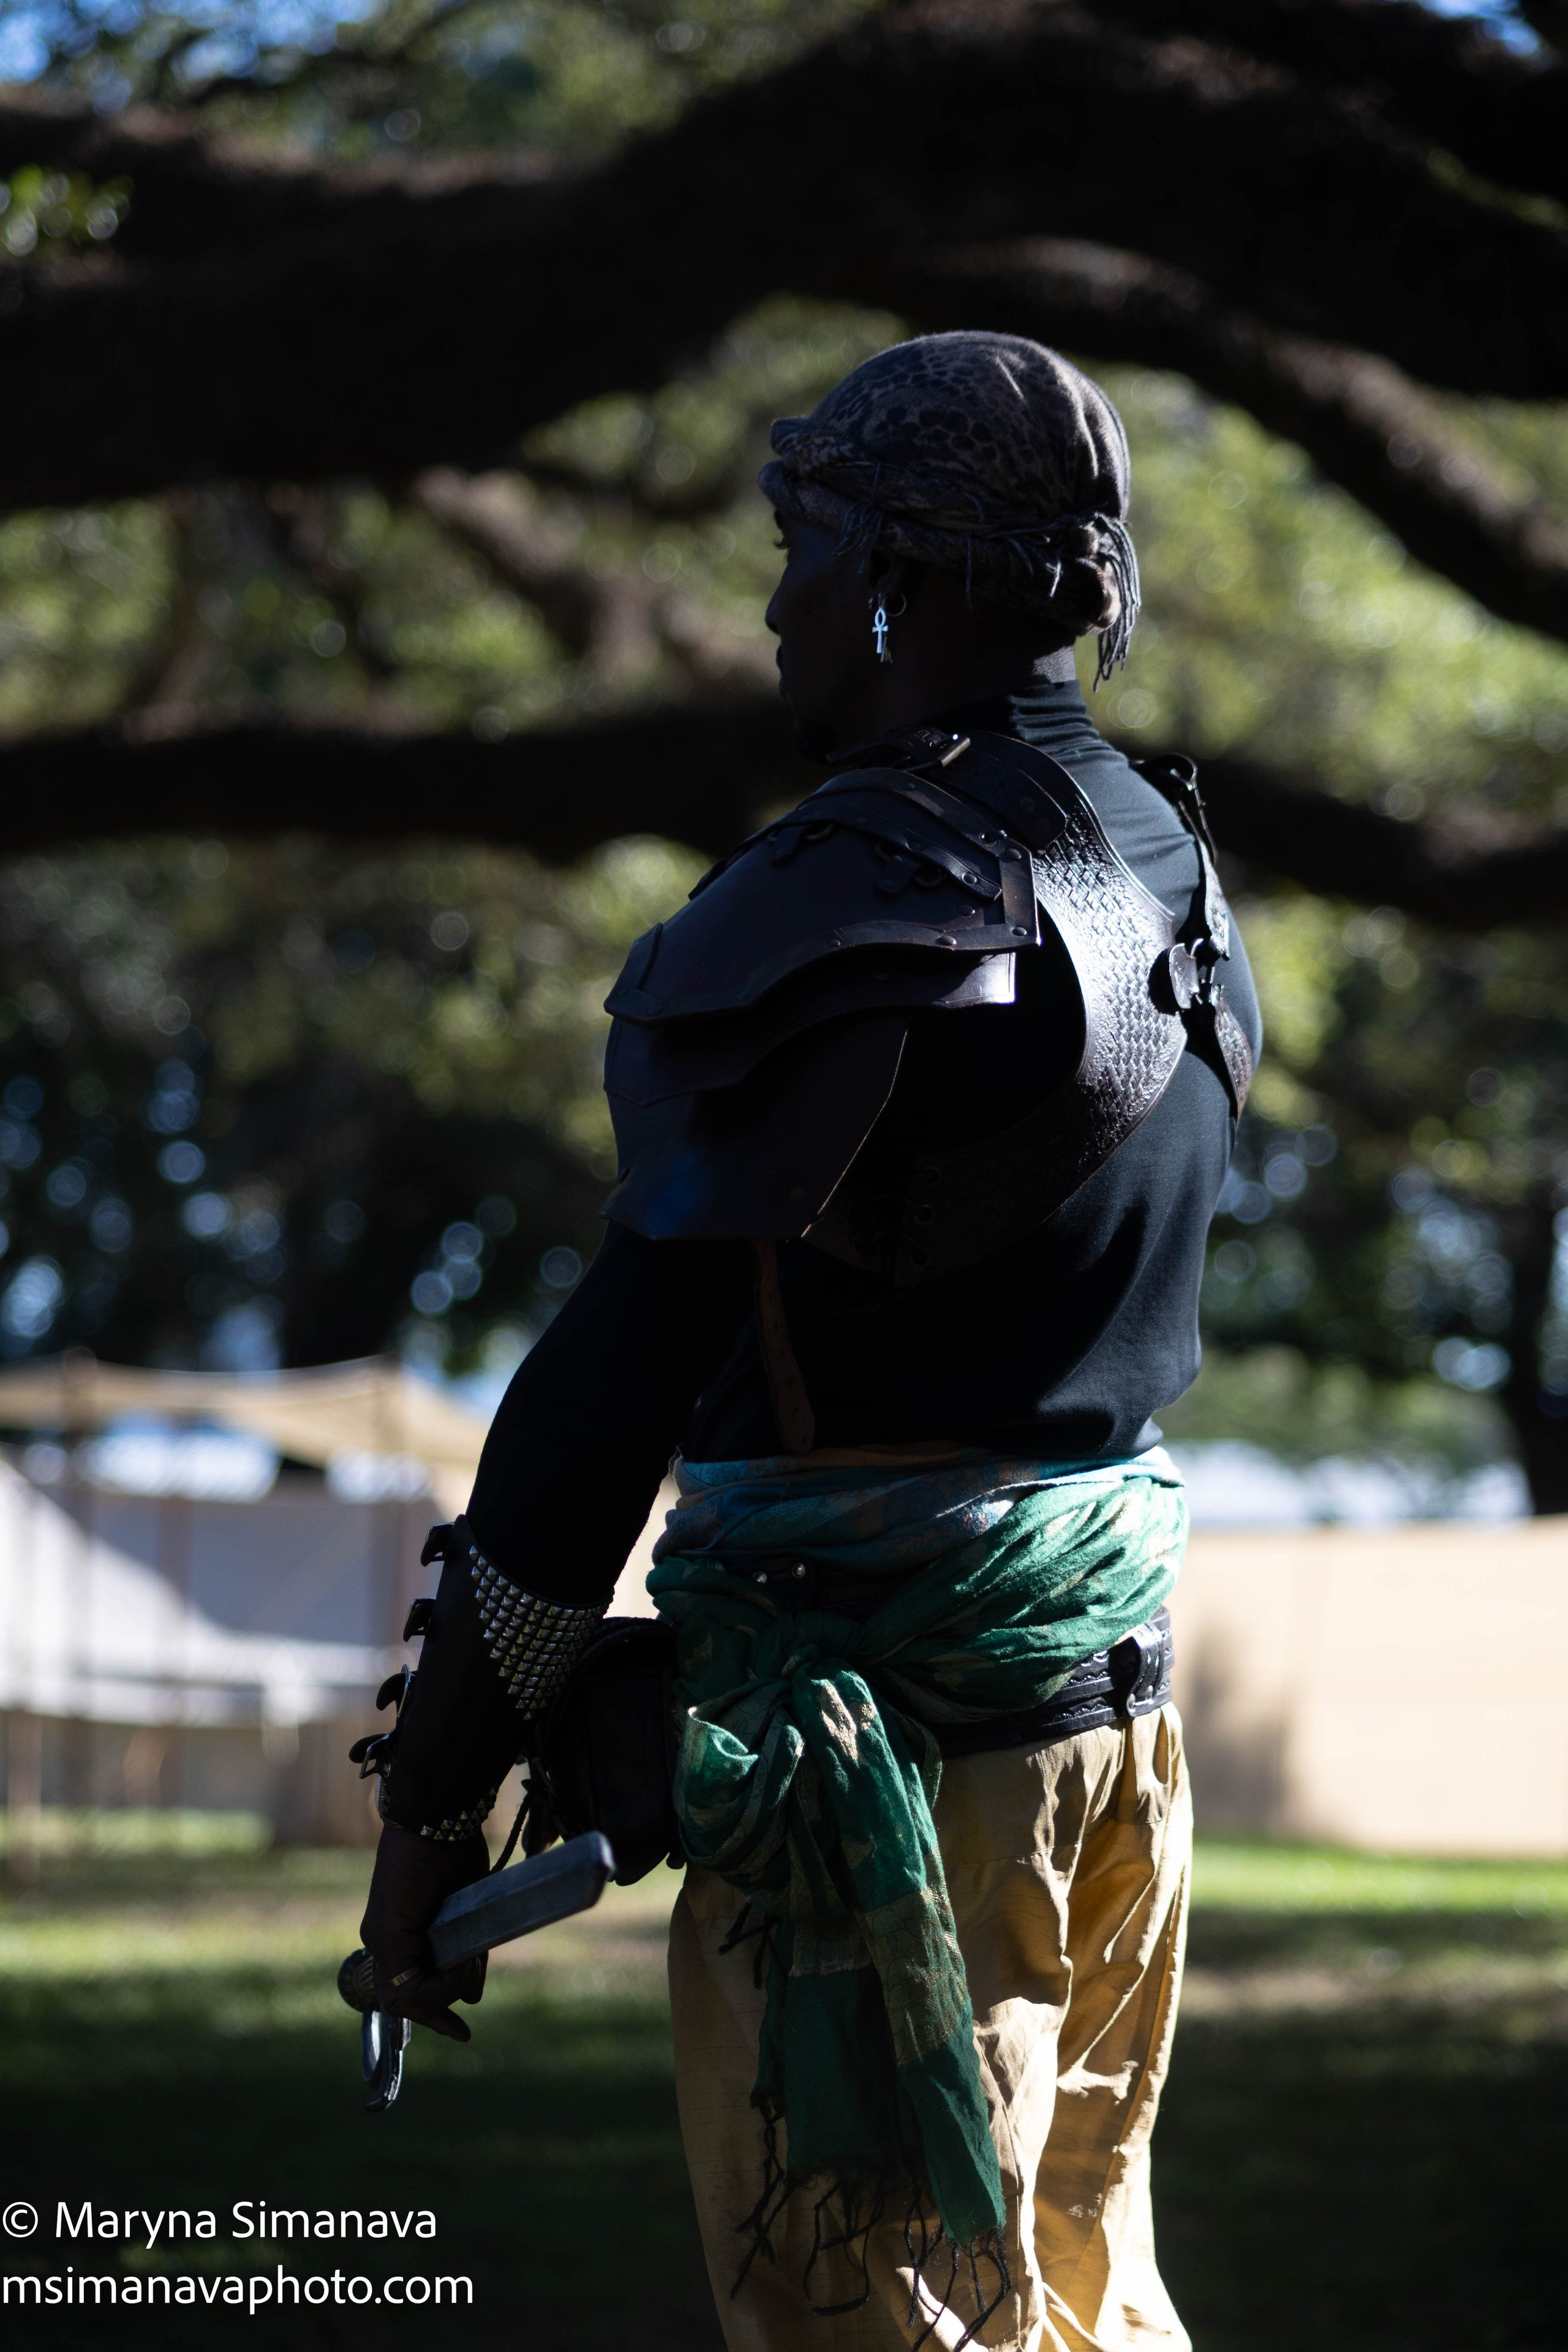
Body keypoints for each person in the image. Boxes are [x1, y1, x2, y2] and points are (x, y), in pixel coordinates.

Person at [356, 331, 1261, 2352]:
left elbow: (611, 1385)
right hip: (1111, 1753)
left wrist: (432, 1805)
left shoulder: (858, 890)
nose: (771, 603)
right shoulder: (1173, 866)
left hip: (904, 1801)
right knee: (1086, 2309)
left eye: (803, 545)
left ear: (902, 578)